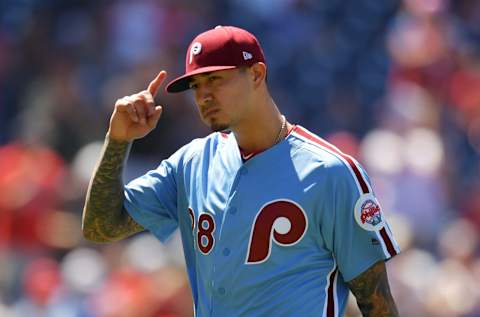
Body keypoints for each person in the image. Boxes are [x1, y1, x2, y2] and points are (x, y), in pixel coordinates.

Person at [82, 25, 400, 317]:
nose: (203, 95)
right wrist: (118, 140)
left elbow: (376, 301)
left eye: (216, 79)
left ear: (257, 74)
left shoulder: (332, 172)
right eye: (196, 85)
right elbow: (102, 227)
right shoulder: (192, 162)